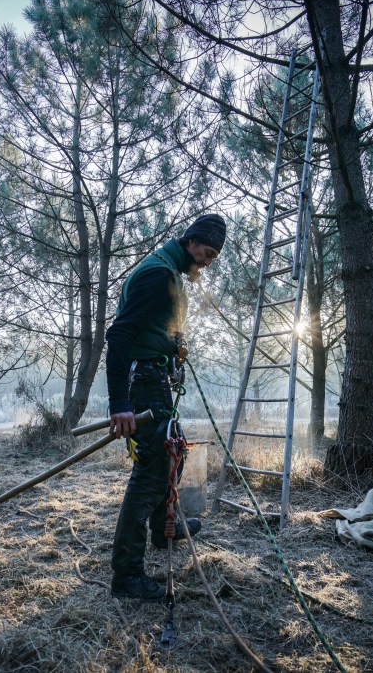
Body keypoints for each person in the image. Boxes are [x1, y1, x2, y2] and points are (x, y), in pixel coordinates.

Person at [105, 213, 225, 601]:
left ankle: (163, 527)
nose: (208, 262)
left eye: (213, 257)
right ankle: (127, 576)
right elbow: (120, 334)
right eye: (206, 253)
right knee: (152, 472)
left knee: (173, 455)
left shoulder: (170, 270)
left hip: (157, 380)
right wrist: (120, 404)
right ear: (191, 242)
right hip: (144, 386)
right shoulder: (157, 274)